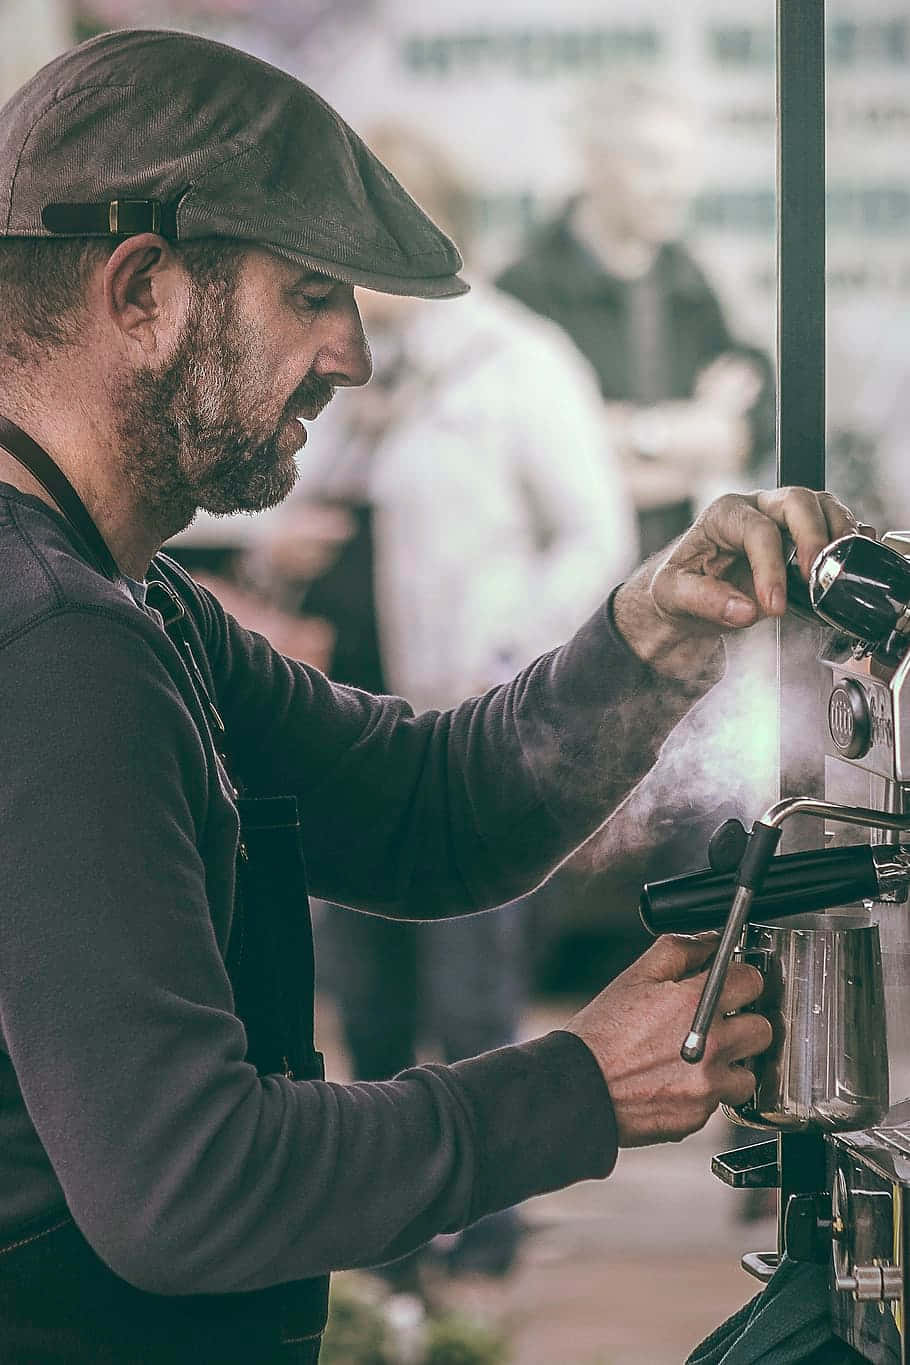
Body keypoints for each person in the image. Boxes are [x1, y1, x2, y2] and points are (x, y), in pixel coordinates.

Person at [0, 28, 855, 1365]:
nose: (353, 353)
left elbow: (426, 813)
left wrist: (651, 633)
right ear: (143, 291)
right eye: (309, 293)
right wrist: (574, 1086)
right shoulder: (51, 644)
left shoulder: (137, 608)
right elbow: (187, 1186)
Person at [266, 122, 637, 1281]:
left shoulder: (521, 364)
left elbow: (598, 534)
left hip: (462, 728)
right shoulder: (351, 374)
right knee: (362, 1002)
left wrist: (506, 647)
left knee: (473, 997)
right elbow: (288, 501)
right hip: (344, 728)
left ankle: (486, 1238)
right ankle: (389, 1243)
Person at [496, 78, 775, 558]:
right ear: (594, 163)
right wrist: (691, 434)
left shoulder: (692, 286)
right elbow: (528, 462)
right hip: (562, 594)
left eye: (687, 165)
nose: (678, 186)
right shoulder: (523, 291)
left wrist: (630, 436)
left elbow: (757, 430)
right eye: (653, 162)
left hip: (681, 576)